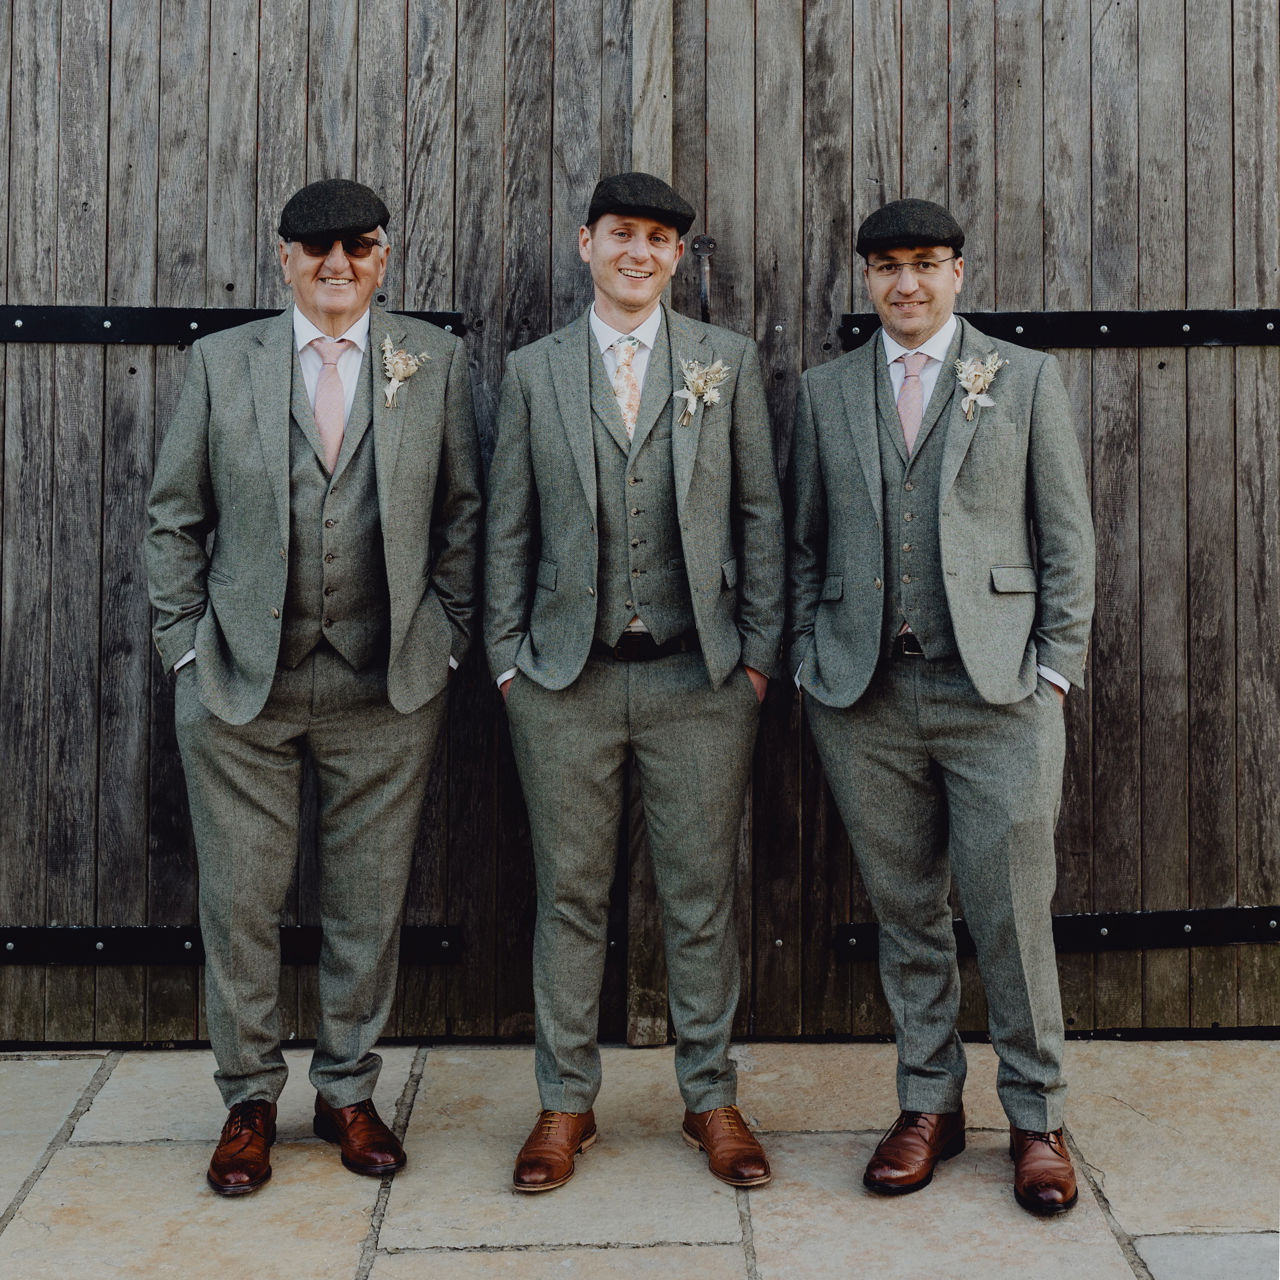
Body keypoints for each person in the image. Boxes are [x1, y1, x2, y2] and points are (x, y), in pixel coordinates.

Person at [146, 178, 482, 1195]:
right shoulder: (221, 361)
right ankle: (249, 1096)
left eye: (359, 246)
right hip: (241, 681)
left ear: (384, 257)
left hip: (386, 684)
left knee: (366, 899)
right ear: (283, 257)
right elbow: (174, 518)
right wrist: (184, 649)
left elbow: (464, 512)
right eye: (316, 247)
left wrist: (448, 638)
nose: (338, 263)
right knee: (240, 900)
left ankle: (346, 1087)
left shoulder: (434, 361)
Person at [787, 198, 1095, 1215]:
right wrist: (805, 655)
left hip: (995, 690)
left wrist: (1051, 668)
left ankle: (1036, 1116)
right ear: (864, 278)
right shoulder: (825, 391)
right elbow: (799, 542)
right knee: (903, 909)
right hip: (863, 695)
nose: (904, 283)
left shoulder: (1022, 378)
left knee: (1008, 911)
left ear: (958, 271)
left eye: (924, 264)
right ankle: (927, 1102)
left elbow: (1065, 538)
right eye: (885, 267)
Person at [485, 172, 784, 1193]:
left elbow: (760, 517)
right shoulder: (532, 371)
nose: (638, 252)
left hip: (699, 680)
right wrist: (506, 661)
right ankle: (564, 1102)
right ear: (585, 243)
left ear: (675, 257)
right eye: (621, 233)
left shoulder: (724, 363)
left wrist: (754, 660)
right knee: (569, 895)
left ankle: (711, 1098)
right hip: (562, 680)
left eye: (659, 239)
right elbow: (506, 527)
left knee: (697, 897)